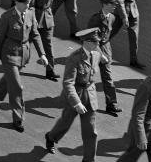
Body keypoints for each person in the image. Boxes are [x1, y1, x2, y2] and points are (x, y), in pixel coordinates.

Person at [45, 28, 108, 161]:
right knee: (65, 123)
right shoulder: (74, 58)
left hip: (90, 96)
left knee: (91, 131)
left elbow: (100, 62)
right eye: (96, 42)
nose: (98, 45)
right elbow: (68, 83)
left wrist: (104, 58)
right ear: (87, 42)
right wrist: (77, 103)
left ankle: (89, 160)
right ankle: (51, 137)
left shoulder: (96, 54)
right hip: (75, 96)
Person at [0, 0, 48, 132]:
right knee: (17, 87)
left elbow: (35, 34)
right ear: (17, 2)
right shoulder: (7, 16)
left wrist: (42, 54)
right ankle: (18, 118)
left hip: (23, 54)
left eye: (29, 2)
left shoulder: (30, 13)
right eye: (25, 2)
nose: (28, 5)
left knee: (9, 79)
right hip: (9, 54)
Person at [87, 0, 123, 116]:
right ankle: (79, 99)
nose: (115, 6)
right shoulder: (95, 19)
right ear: (105, 5)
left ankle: (111, 104)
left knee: (108, 77)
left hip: (106, 49)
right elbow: (91, 38)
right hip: (93, 49)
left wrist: (106, 44)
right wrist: (100, 53)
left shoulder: (112, 17)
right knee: (87, 76)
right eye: (113, 4)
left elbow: (112, 31)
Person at [111, 0, 145, 69]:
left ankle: (134, 61)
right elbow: (120, 0)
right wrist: (124, 16)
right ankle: (96, 49)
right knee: (110, 32)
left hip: (134, 12)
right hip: (122, 12)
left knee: (134, 37)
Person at [30, 0, 60, 81]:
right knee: (25, 42)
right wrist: (32, 20)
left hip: (47, 18)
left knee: (48, 45)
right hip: (36, 17)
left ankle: (50, 70)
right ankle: (14, 61)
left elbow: (51, 2)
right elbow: (31, 5)